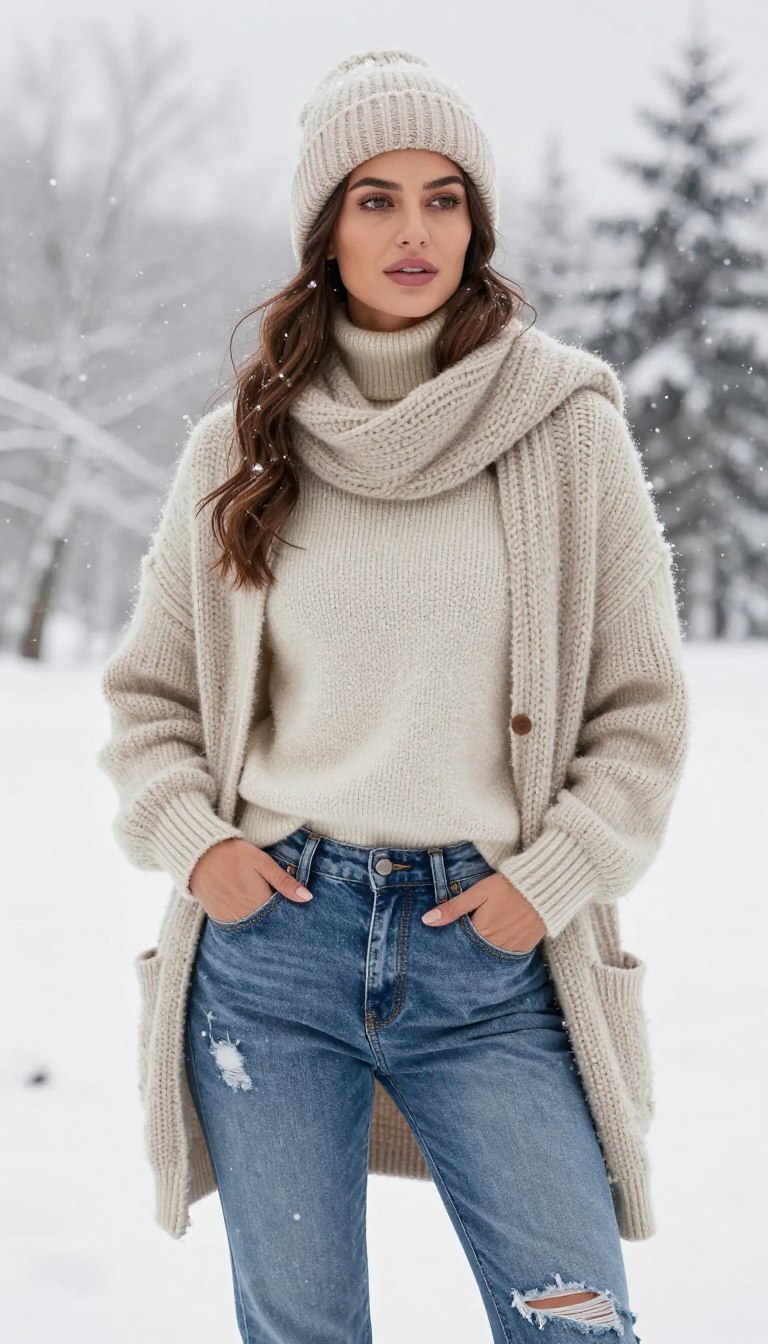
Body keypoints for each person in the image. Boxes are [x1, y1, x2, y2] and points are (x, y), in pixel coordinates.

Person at [97, 48, 690, 1343]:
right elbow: (149, 707)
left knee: (576, 1322)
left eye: (443, 196)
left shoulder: (563, 432)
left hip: (490, 950)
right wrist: (202, 853)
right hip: (272, 954)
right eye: (376, 197)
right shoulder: (240, 448)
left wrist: (557, 874)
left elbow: (640, 711)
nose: (414, 230)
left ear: (478, 222)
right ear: (326, 227)